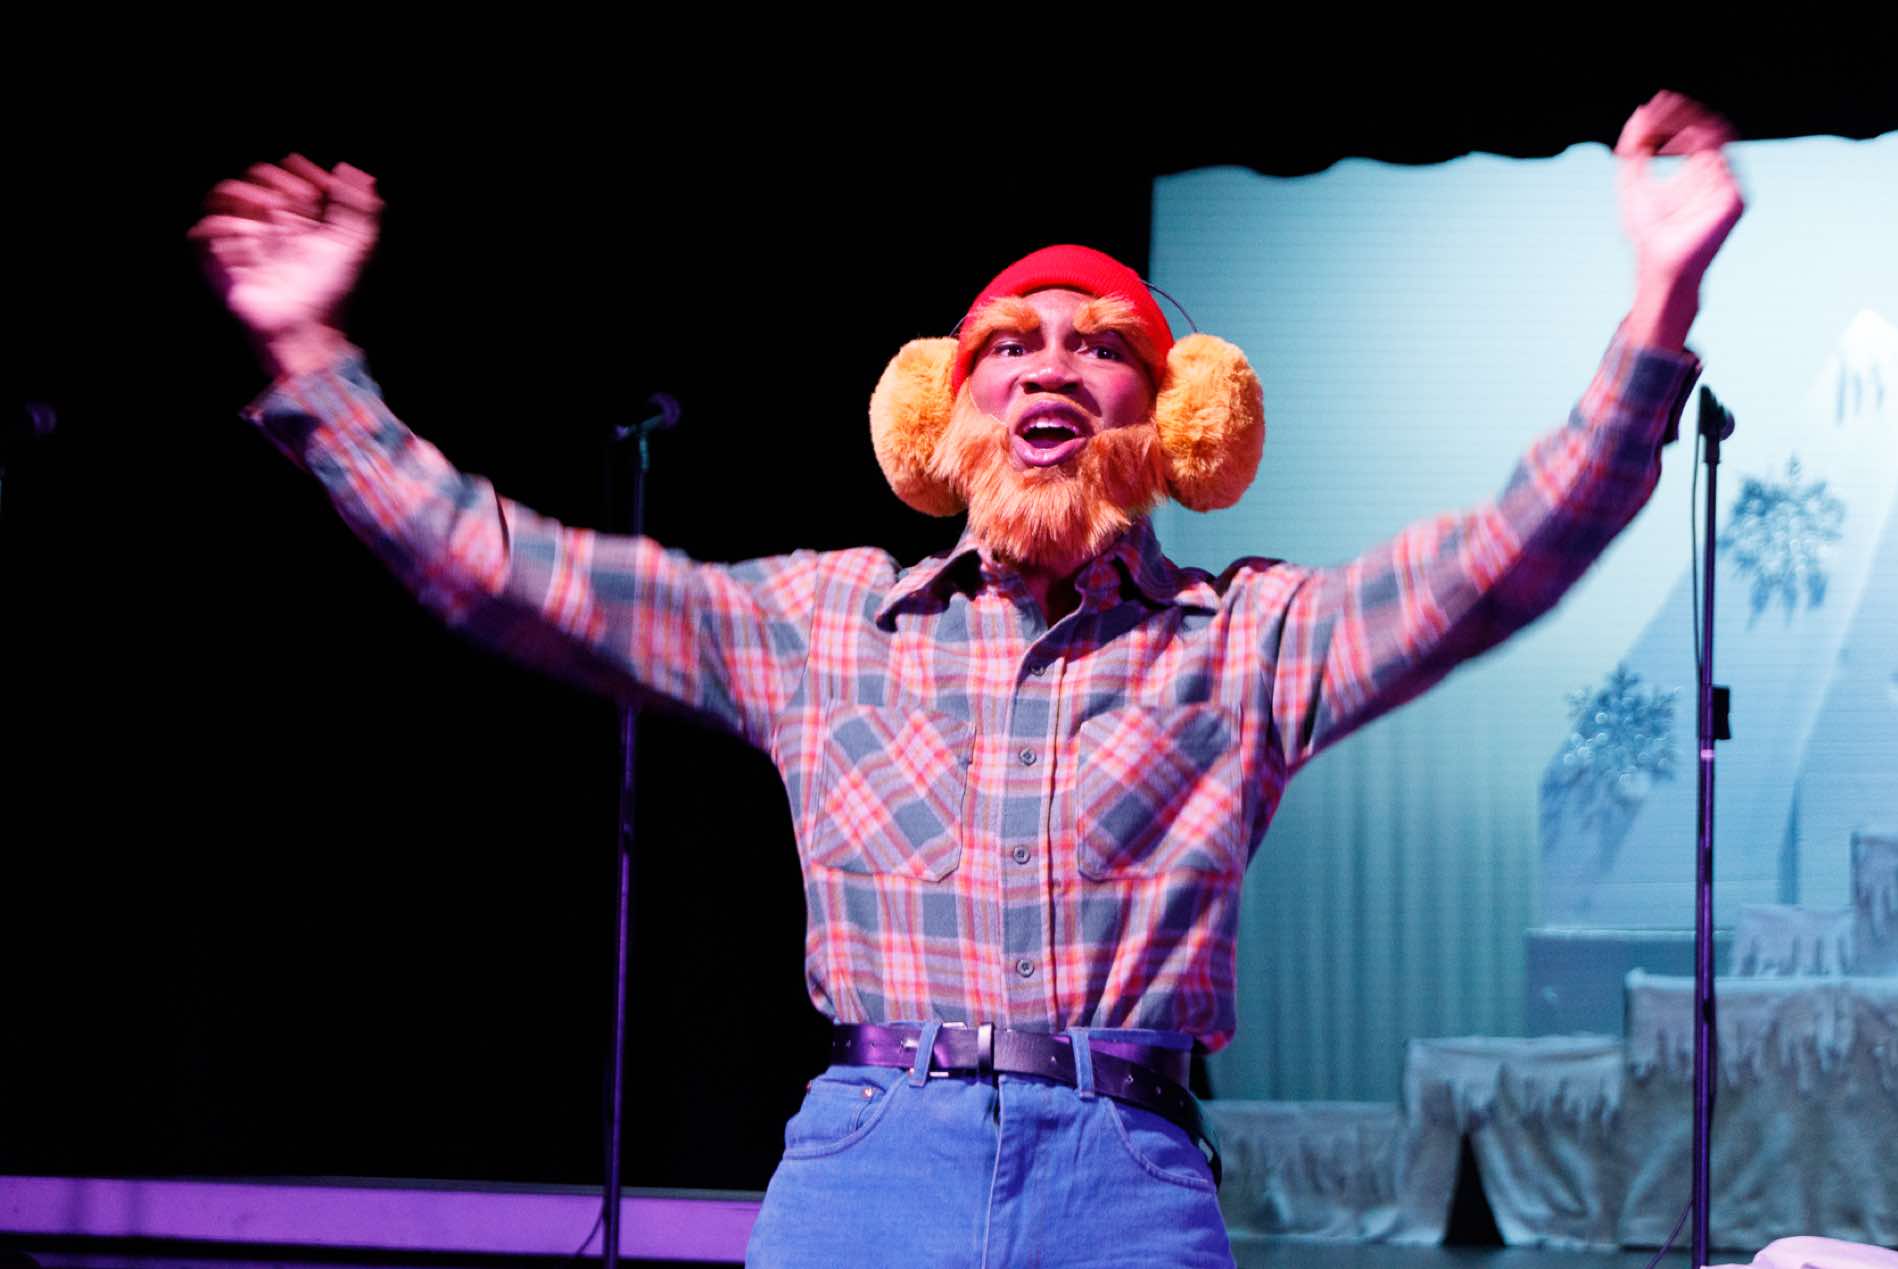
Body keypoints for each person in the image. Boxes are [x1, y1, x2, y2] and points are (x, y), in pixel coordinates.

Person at [191, 90, 1744, 1267]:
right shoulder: (826, 622)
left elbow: (1508, 555)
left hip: (1127, 1174)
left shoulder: (1245, 638)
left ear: (1172, 419)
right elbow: (503, 569)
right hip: (872, 1161)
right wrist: (312, 353)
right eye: (1011, 344)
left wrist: (1660, 302)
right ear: (949, 408)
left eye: (1100, 344)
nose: (1051, 363)